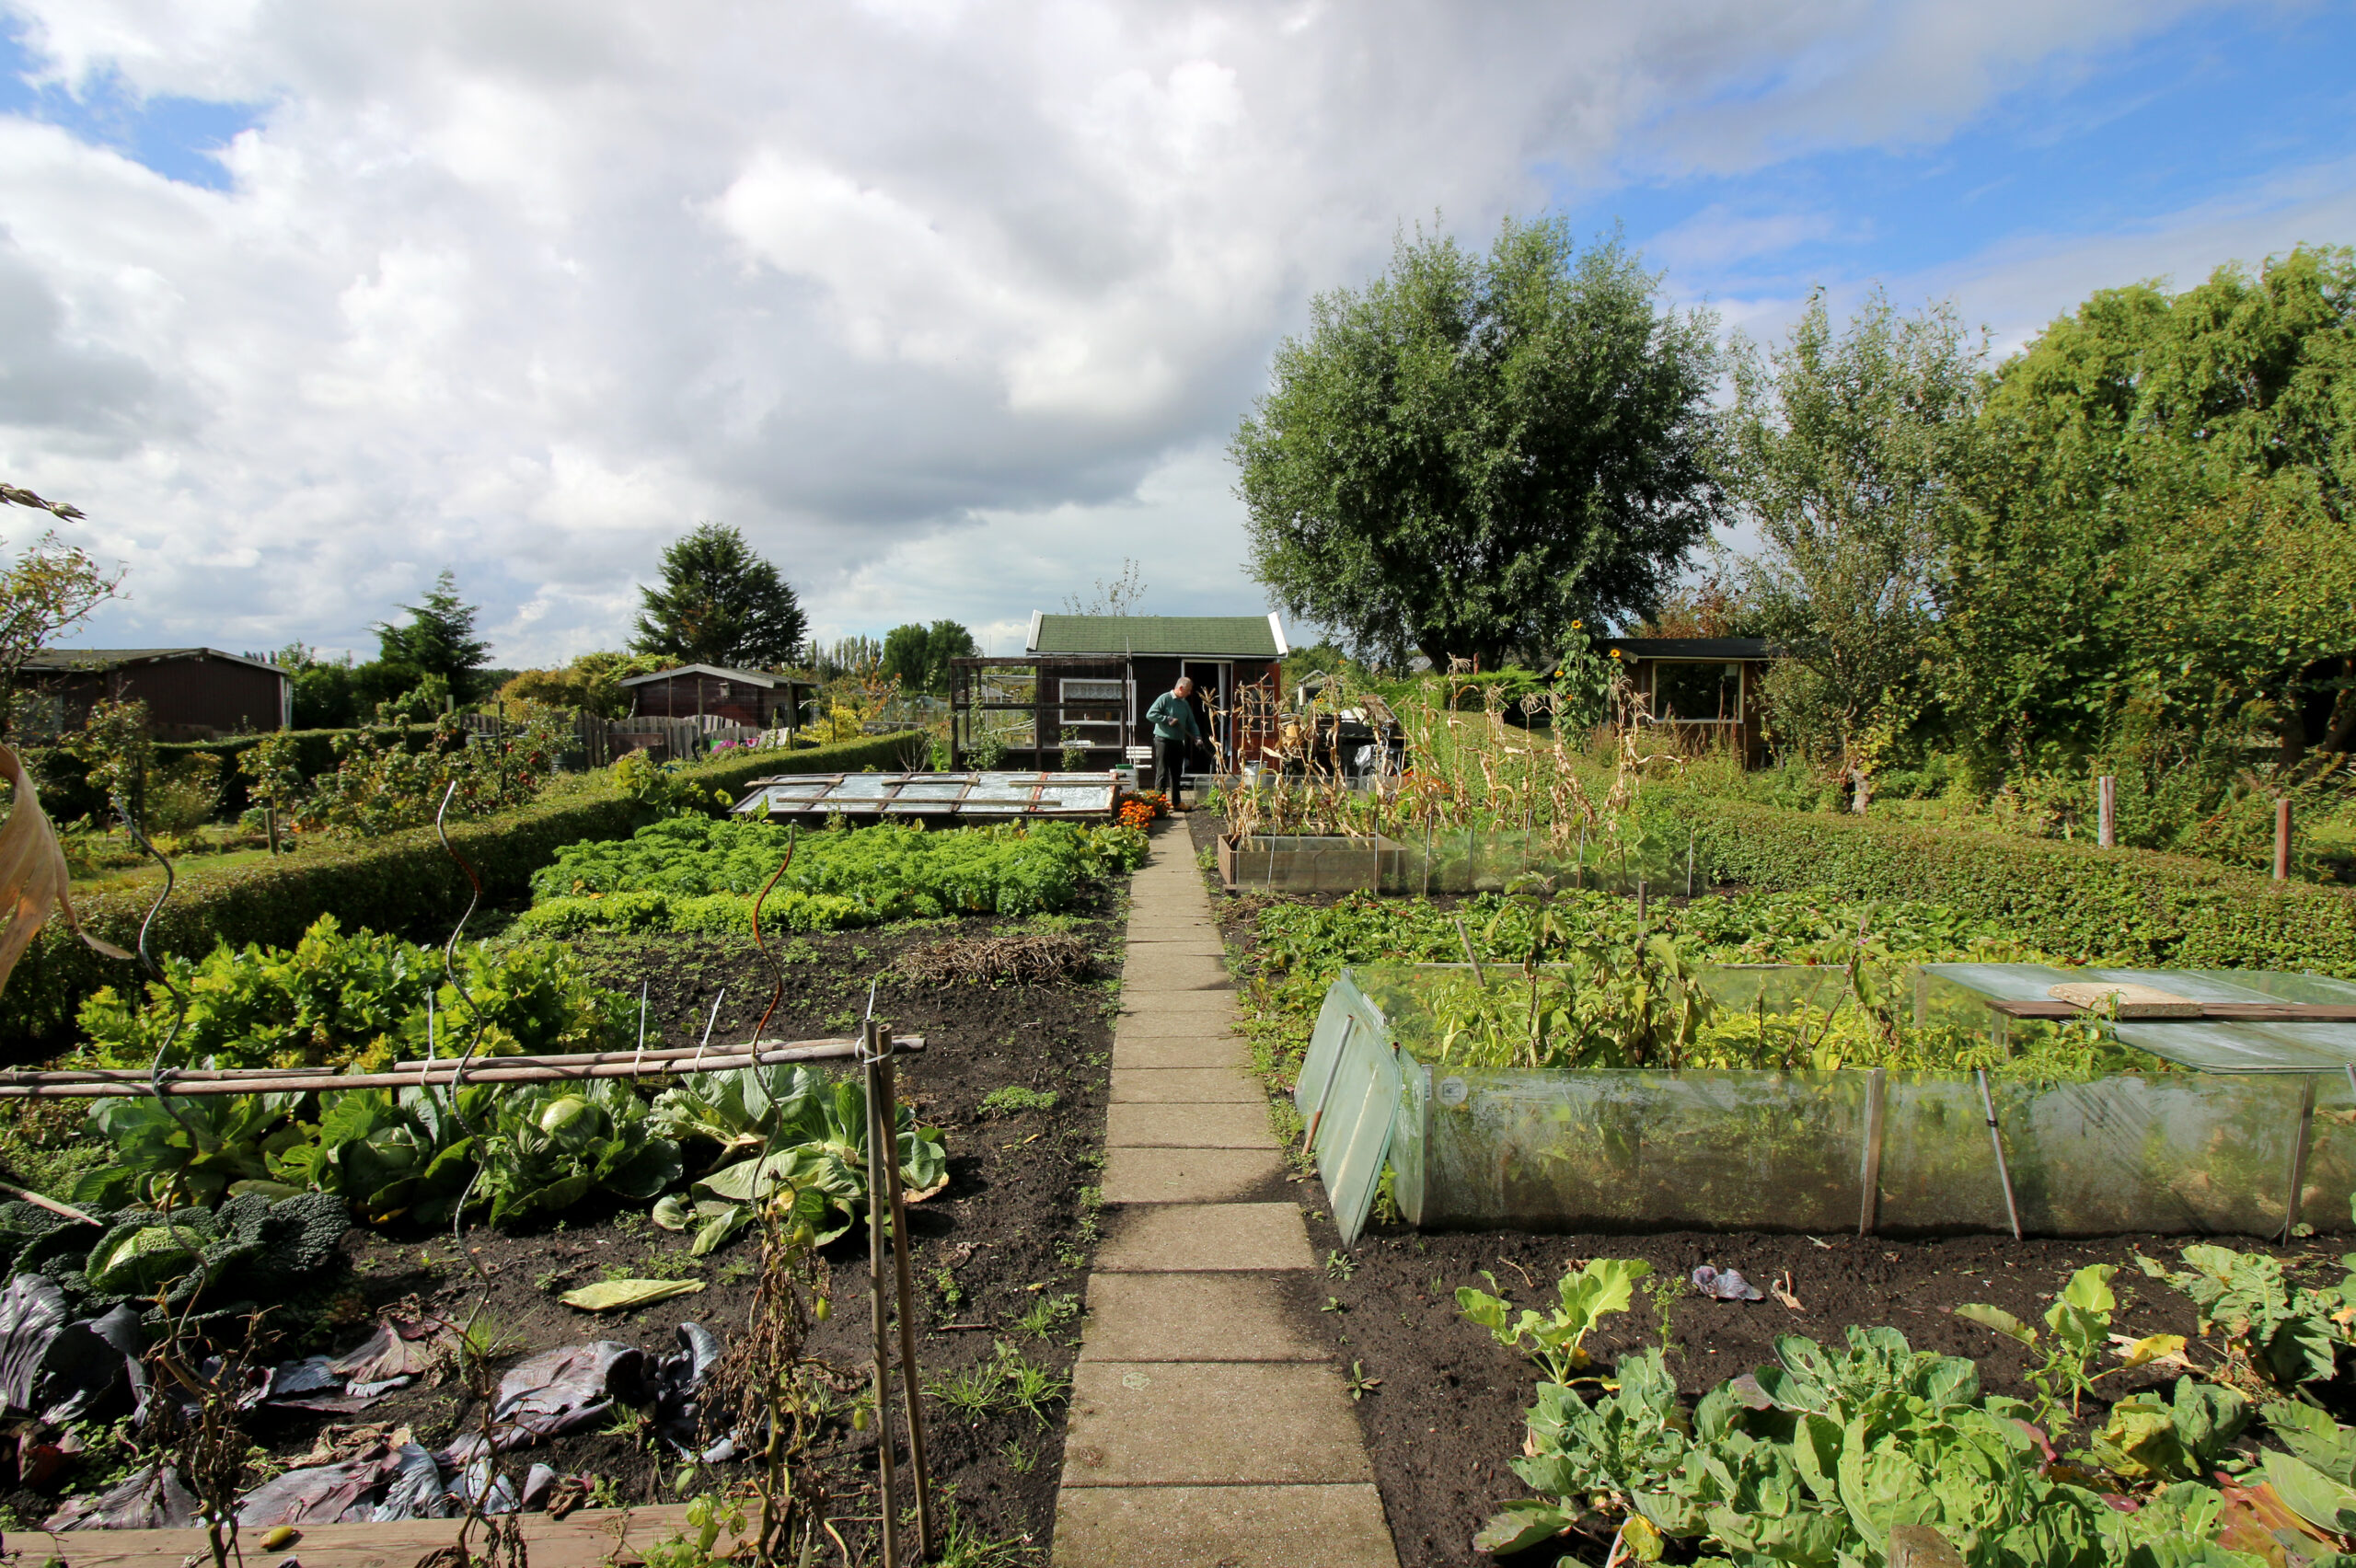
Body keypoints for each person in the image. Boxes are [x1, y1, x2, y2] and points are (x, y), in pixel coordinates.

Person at [1143, 675, 1201, 807]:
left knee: (1176, 773)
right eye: (1189, 690)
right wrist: (1167, 719)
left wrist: (1197, 737)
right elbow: (1150, 714)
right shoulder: (1165, 699)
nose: (1190, 692)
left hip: (1177, 741)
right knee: (1162, 773)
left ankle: (1176, 802)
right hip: (1162, 740)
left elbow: (1191, 723)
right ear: (1181, 688)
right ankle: (1159, 804)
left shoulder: (1184, 704)